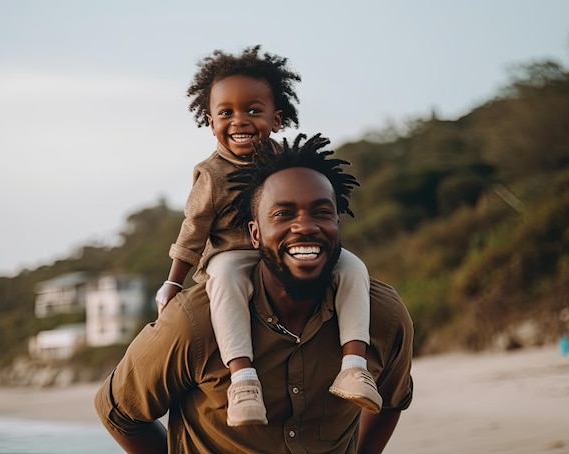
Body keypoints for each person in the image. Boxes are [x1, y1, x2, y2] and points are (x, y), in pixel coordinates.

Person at [95, 133, 414, 453]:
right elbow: (118, 412)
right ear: (255, 233)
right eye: (283, 214)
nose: (305, 226)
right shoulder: (193, 323)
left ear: (337, 222)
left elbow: (391, 399)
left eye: (321, 212)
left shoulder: (382, 316)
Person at [156, 45, 381, 427]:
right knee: (225, 277)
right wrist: (172, 282)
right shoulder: (210, 175)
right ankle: (243, 380)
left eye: (253, 110)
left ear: (276, 119)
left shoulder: (286, 160)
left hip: (286, 253)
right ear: (210, 122)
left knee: (353, 266)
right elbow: (193, 230)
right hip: (234, 254)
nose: (239, 121)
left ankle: (355, 366)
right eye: (226, 113)